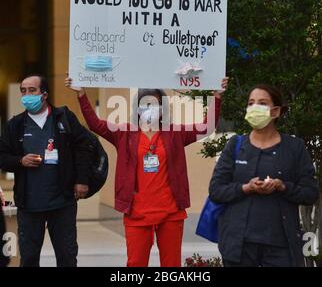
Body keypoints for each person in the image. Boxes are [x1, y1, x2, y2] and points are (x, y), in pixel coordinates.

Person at [65, 76, 228, 267]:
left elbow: (205, 128)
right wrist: (82, 94)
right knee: (135, 264)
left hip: (170, 213)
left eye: (155, 104)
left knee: (171, 265)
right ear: (137, 108)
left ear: (163, 108)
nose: (150, 108)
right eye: (145, 104)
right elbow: (95, 125)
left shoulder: (174, 133)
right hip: (137, 213)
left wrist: (217, 97)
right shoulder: (124, 133)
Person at [209, 84, 319, 267]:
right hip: (239, 246)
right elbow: (216, 190)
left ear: (275, 112)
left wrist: (283, 187)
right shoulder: (235, 145)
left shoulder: (295, 147)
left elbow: (310, 194)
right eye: (251, 103)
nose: (254, 108)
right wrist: (245, 188)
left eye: (262, 103)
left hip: (281, 248)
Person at [0, 75, 91, 267]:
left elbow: (84, 147)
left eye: (32, 90)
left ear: (44, 94)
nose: (26, 95)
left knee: (67, 257)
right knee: (29, 259)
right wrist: (20, 161)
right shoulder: (15, 125)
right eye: (23, 91)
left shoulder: (64, 118)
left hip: (62, 202)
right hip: (29, 205)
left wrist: (82, 179)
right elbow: (3, 157)